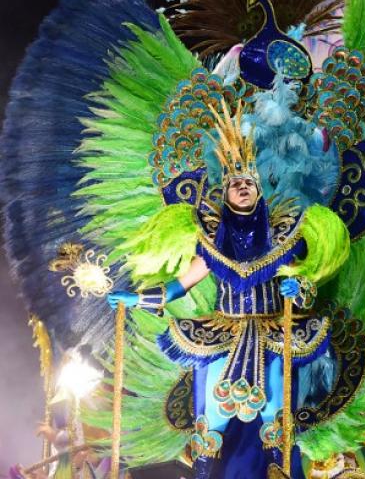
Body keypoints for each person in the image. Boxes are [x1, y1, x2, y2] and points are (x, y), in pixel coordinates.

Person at [108, 103, 349, 478]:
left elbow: (306, 281)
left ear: (258, 191)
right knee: (211, 423)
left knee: (276, 421)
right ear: (224, 192)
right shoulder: (211, 244)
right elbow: (181, 285)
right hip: (222, 335)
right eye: (234, 184)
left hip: (274, 331)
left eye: (248, 183)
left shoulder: (284, 235)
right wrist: (138, 298)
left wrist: (296, 287)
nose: (241, 188)